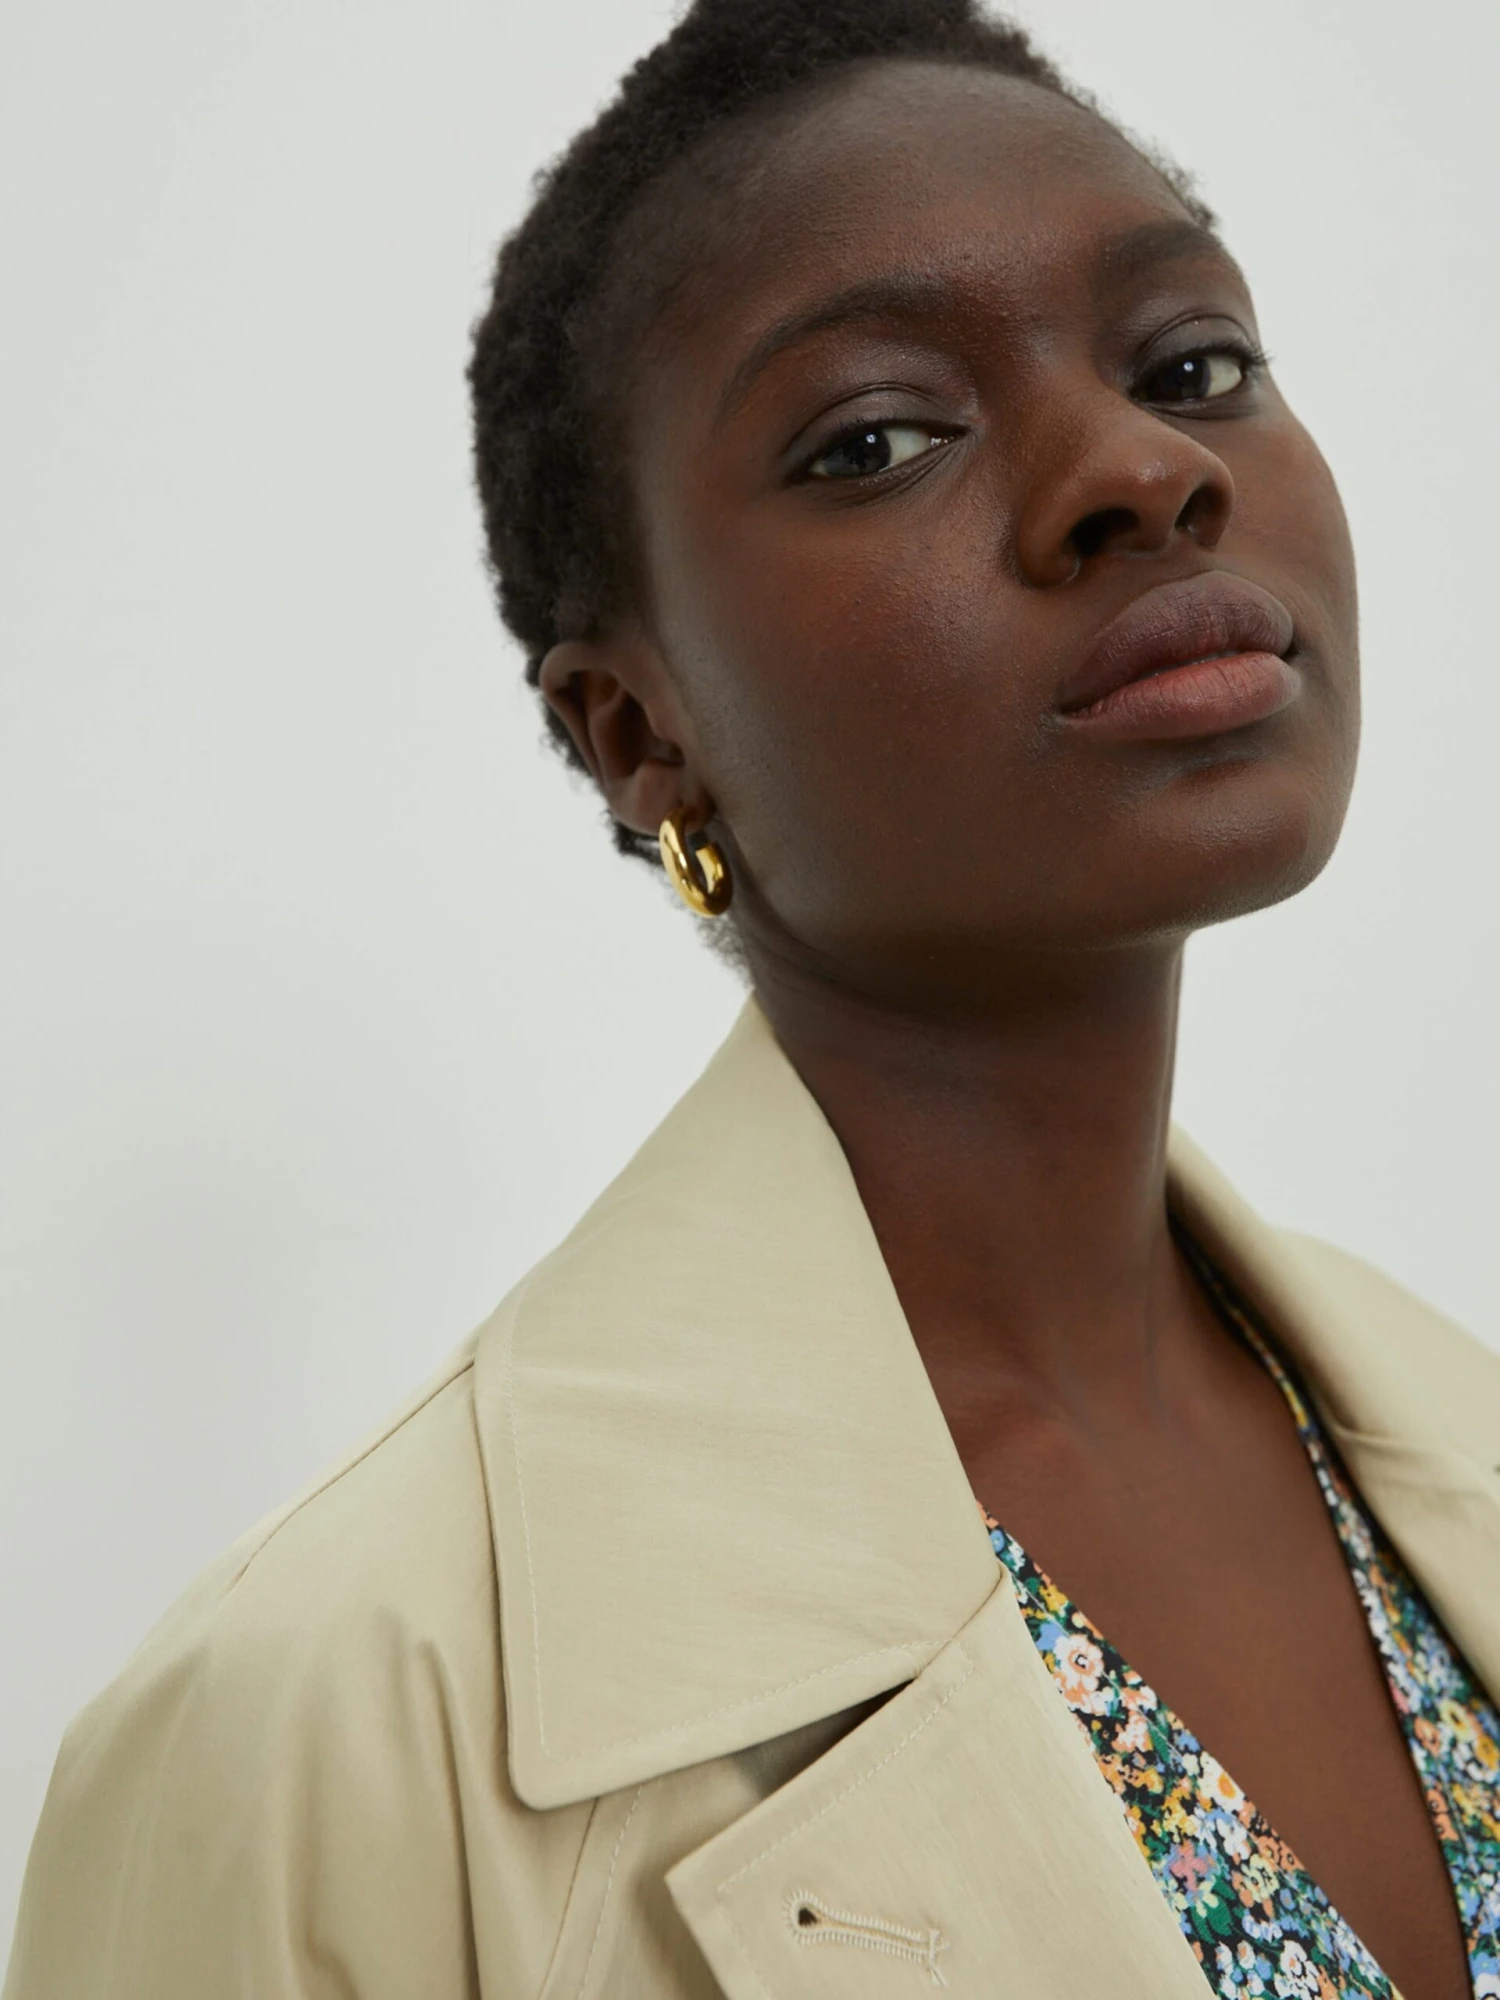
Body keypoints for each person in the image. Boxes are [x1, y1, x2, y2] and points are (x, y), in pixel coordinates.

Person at [8, 1, 1499, 1995]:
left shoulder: (1458, 1427)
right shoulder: (325, 1732)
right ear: (641, 732)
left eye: (1194, 364)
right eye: (876, 435)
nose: (1142, 470)